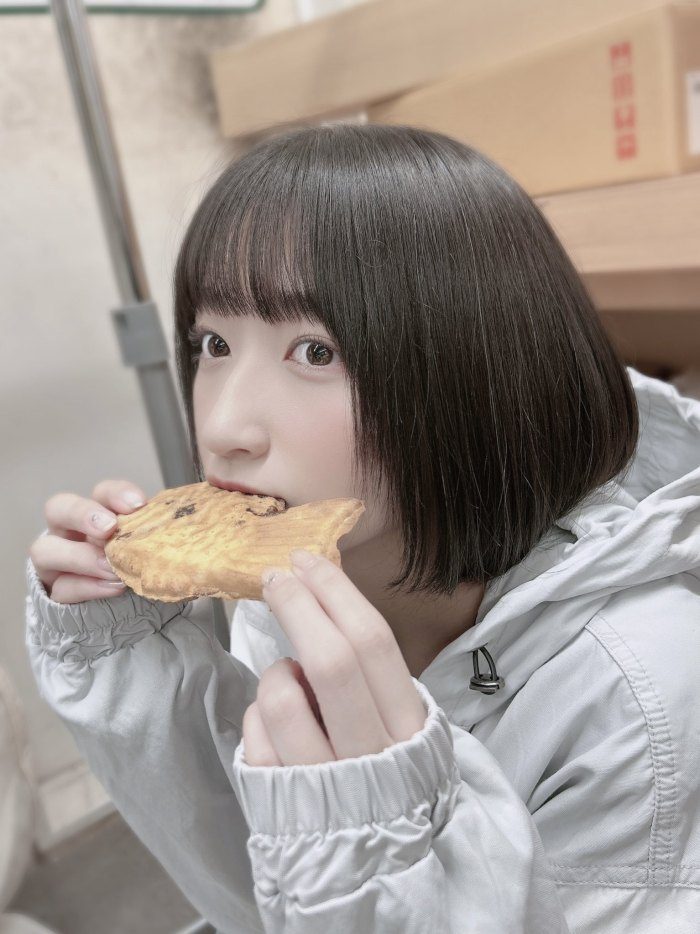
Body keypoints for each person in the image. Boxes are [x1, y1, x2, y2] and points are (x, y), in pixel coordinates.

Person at [25, 124, 700, 933]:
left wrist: (389, 855)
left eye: (315, 351)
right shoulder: (297, 588)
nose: (226, 426)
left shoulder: (641, 691)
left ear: (475, 366)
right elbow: (257, 894)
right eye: (214, 342)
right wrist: (132, 661)